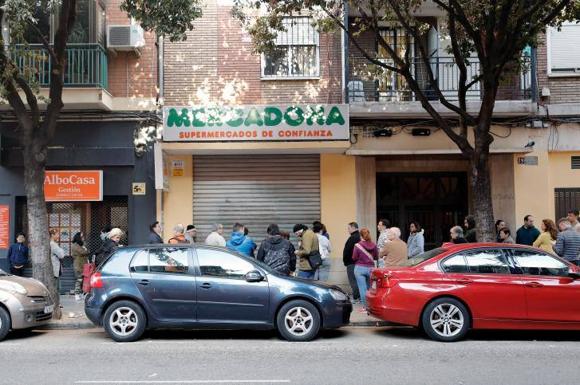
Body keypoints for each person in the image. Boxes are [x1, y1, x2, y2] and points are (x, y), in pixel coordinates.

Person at [352, 228, 378, 312]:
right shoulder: (374, 245)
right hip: (370, 268)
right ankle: (371, 307)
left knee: (362, 289)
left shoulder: (357, 245)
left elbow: (354, 257)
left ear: (361, 236)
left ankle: (365, 307)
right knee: (370, 289)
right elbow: (376, 257)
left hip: (359, 268)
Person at [342, 222, 361, 301]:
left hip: (352, 262)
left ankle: (356, 297)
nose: (348, 230)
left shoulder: (353, 238)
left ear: (353, 228)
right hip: (358, 262)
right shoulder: (359, 236)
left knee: (353, 280)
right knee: (358, 280)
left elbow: (348, 250)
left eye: (349, 228)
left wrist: (346, 261)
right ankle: (360, 297)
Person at [71, 232, 90, 301]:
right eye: (82, 237)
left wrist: (85, 249)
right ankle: (77, 294)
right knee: (79, 280)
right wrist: (85, 249)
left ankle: (82, 293)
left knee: (84, 280)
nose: (83, 238)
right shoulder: (75, 245)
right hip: (78, 265)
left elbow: (86, 251)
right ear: (78, 237)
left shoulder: (80, 245)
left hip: (83, 264)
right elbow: (84, 252)